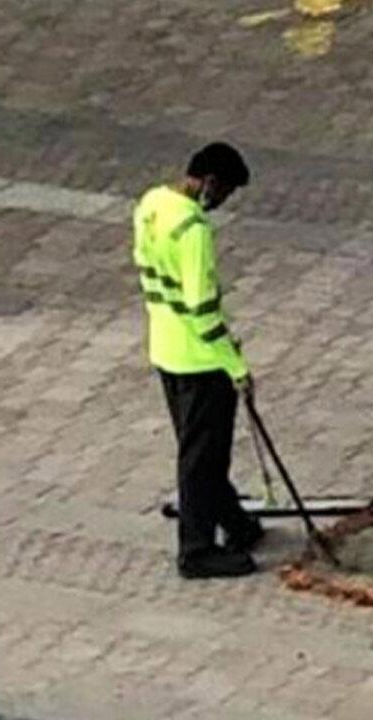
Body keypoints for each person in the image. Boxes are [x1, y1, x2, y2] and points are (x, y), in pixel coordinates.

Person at [132, 142, 264, 579]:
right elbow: (202, 308)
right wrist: (235, 366)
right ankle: (197, 550)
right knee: (203, 457)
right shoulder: (193, 230)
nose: (221, 203)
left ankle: (236, 522)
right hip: (199, 359)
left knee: (199, 448)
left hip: (165, 348)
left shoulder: (151, 205)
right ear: (209, 182)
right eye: (224, 193)